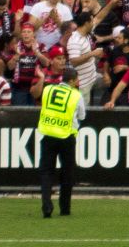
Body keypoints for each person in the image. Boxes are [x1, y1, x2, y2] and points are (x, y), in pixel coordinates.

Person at [37, 66, 84, 218]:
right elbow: (82, 116)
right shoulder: (76, 95)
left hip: (48, 135)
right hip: (66, 136)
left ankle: (46, 205)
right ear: (71, 81)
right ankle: (65, 208)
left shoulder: (48, 89)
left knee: (46, 172)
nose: (78, 82)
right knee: (67, 172)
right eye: (76, 79)